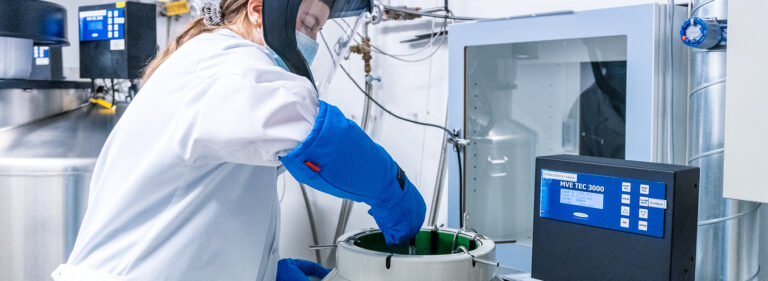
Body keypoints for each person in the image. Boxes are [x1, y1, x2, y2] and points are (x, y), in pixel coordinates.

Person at [51, 0, 426, 280]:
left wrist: (263, 271)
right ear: (258, 11)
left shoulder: (212, 65)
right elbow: (324, 139)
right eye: (308, 24)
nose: (311, 39)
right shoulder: (229, 69)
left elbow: (209, 210)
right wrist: (394, 193)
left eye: (317, 30)